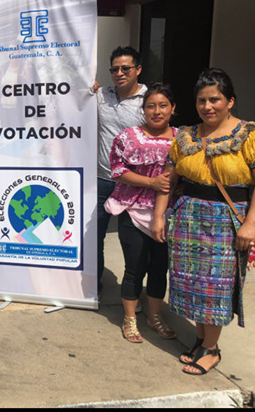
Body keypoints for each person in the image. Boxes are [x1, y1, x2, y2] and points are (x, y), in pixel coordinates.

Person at [151, 68, 255, 375]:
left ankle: (211, 348)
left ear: (230, 101)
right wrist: (158, 216)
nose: (208, 106)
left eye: (215, 99)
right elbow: (168, 179)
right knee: (189, 283)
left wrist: (251, 223)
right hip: (187, 218)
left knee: (215, 287)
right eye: (202, 101)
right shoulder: (185, 137)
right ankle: (200, 339)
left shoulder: (252, 136)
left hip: (225, 221)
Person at [104, 83, 177, 343]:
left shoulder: (182, 140)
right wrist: (151, 183)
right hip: (132, 211)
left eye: (163, 105)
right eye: (150, 106)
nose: (156, 111)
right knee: (134, 268)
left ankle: (154, 316)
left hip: (168, 215)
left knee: (159, 268)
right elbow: (117, 170)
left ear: (172, 108)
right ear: (143, 109)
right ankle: (130, 318)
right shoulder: (127, 137)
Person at [92, 46, 148, 298]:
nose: (119, 73)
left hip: (134, 184)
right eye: (114, 69)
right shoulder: (102, 95)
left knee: (134, 242)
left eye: (126, 68)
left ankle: (132, 292)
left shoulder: (148, 101)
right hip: (103, 179)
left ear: (138, 70)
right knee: (94, 237)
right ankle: (95, 284)